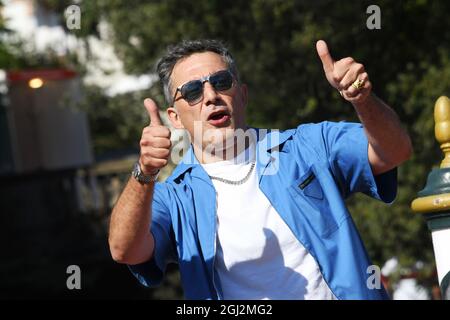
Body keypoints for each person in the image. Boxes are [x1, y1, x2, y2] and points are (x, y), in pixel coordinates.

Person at [108, 39, 412, 300]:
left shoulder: (306, 146)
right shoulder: (174, 197)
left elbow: (395, 151)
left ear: (242, 95)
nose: (211, 95)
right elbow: (124, 250)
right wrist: (144, 171)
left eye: (222, 82)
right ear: (175, 117)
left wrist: (362, 100)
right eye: (192, 91)